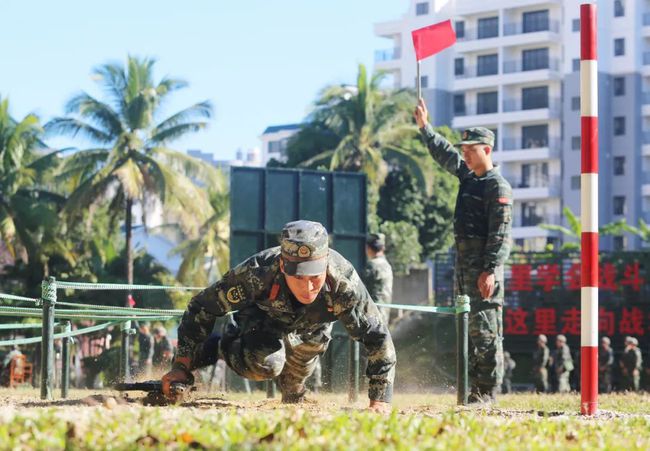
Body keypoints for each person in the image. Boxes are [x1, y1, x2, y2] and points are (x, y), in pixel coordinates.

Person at [161, 220, 396, 411]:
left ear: (325, 264)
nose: (308, 286)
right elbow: (202, 306)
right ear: (283, 266)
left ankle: (294, 391)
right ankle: (222, 347)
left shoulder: (344, 284)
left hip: (312, 330)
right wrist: (181, 364)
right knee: (266, 364)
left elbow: (377, 337)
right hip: (262, 323)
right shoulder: (257, 272)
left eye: (315, 277)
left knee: (294, 388)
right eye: (299, 276)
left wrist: (380, 400)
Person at [415, 99, 512, 403]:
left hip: (484, 273)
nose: (465, 156)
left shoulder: (497, 186)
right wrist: (425, 128)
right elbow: (445, 154)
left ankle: (487, 393)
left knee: (486, 333)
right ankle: (473, 393)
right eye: (464, 151)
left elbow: (501, 234)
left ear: (487, 150)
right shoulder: (469, 178)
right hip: (464, 272)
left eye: (471, 150)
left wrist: (491, 270)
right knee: (470, 333)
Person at [362, 232, 393, 325]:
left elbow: (361, 289)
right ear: (383, 248)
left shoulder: (372, 265)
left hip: (371, 313)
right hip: (384, 312)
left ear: (368, 248)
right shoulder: (387, 265)